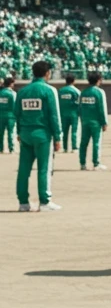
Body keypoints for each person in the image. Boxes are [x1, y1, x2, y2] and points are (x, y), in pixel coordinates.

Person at [15, 60, 62, 212]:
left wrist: (19, 132)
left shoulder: (22, 91)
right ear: (47, 73)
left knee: (24, 169)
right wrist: (58, 136)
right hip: (42, 134)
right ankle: (45, 201)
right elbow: (54, 116)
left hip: (26, 133)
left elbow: (17, 113)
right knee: (44, 168)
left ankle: (23, 203)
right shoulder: (49, 90)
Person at [77, 73, 108, 171]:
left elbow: (80, 107)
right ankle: (96, 163)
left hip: (85, 121)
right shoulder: (99, 92)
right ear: (98, 80)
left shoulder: (83, 92)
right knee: (96, 142)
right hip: (96, 122)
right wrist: (104, 122)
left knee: (83, 143)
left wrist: (82, 119)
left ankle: (82, 164)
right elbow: (102, 108)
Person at [58, 75, 80, 152]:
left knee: (64, 131)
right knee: (74, 131)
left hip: (63, 114)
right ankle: (74, 147)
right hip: (74, 114)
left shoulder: (60, 91)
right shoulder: (76, 91)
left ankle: (65, 147)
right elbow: (79, 103)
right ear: (74, 81)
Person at [0, 75, 16, 152]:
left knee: (0, 133)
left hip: (1, 115)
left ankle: (1, 148)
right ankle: (11, 148)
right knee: (11, 132)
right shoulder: (12, 94)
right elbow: (14, 106)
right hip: (10, 116)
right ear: (11, 84)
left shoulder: (0, 93)